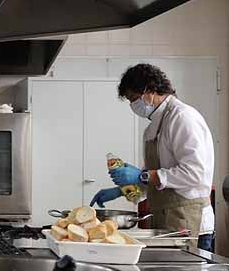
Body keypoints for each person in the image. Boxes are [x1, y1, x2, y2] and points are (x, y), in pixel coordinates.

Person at [91, 64, 215, 250]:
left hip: (190, 221)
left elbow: (195, 173)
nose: (133, 105)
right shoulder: (153, 127)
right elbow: (156, 177)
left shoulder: (182, 118)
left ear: (150, 90)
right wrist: (124, 189)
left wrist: (142, 176)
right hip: (165, 220)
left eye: (134, 98)